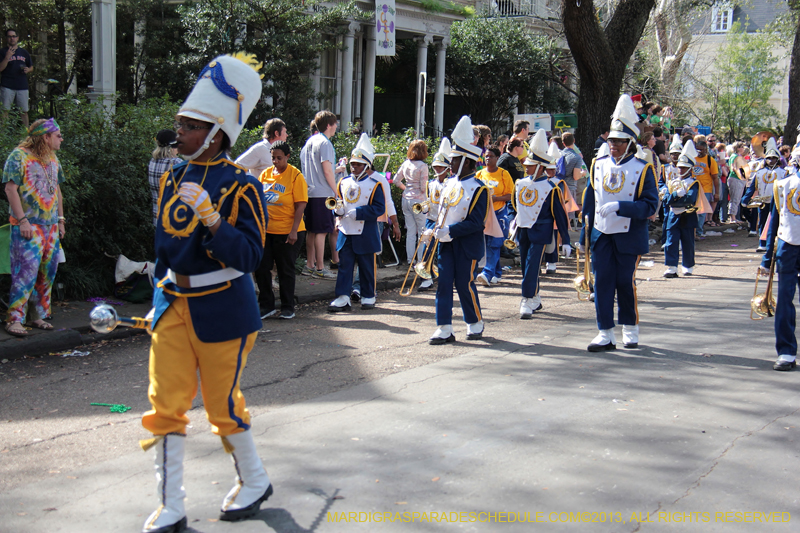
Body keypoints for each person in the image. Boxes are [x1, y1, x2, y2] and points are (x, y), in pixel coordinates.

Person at [140, 54, 272, 532]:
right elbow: (165, 248)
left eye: (190, 126)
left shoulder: (241, 185)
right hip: (173, 305)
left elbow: (251, 257)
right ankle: (170, 505)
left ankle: (254, 480)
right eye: (180, 123)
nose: (179, 132)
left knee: (222, 406)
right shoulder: (173, 177)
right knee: (164, 404)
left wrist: (214, 221)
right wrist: (157, 296)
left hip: (223, 309)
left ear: (216, 134)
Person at [580, 94, 658, 352]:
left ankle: (630, 327)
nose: (613, 144)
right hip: (601, 234)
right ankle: (604, 332)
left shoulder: (643, 168)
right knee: (602, 282)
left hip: (628, 234)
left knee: (625, 281)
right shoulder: (597, 165)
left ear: (630, 143)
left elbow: (650, 206)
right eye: (611, 140)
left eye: (619, 141)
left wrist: (621, 207)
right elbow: (590, 202)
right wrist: (583, 237)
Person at [429, 116, 489, 345]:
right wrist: (436, 229)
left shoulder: (480, 189)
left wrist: (450, 230)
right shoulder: (448, 184)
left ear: (466, 161)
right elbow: (442, 212)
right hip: (446, 244)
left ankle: (474, 322)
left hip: (466, 245)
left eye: (454, 159)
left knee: (464, 283)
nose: (450, 163)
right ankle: (444, 327)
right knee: (443, 283)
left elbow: (476, 223)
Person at [3, 118, 65, 337]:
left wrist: (61, 219)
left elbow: (57, 189)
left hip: (50, 226)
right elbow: (10, 189)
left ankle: (37, 315)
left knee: (48, 272)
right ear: (45, 137)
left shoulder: (52, 157)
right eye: (58, 135)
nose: (61, 139)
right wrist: (22, 221)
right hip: (28, 225)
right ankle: (14, 319)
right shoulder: (18, 156)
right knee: (25, 273)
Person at [514, 129, 570, 318]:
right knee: (525, 266)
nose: (526, 167)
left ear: (539, 167)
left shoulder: (551, 188)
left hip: (541, 231)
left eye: (530, 165)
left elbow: (560, 215)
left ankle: (527, 298)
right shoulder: (520, 184)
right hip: (523, 230)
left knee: (532, 265)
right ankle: (535, 297)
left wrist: (566, 240)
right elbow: (516, 205)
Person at [328, 133, 385, 312]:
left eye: (358, 164)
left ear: (366, 165)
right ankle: (343, 297)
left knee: (366, 267)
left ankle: (368, 295)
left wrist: (359, 213)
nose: (354, 167)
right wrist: (337, 210)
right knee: (344, 266)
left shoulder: (375, 184)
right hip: (346, 231)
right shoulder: (343, 182)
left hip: (365, 232)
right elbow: (338, 201)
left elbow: (379, 208)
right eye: (352, 164)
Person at [255, 140, 307, 320]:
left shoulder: (295, 176)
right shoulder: (265, 174)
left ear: (287, 157)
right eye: (273, 158)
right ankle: (266, 305)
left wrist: (293, 231)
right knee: (262, 268)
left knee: (285, 269)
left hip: (288, 231)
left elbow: (300, 206)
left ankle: (287, 307)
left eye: (279, 158)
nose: (275, 161)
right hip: (267, 231)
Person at [759, 164, 800, 371]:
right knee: (784, 300)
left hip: (788, 248)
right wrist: (767, 259)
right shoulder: (782, 184)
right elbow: (773, 224)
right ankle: (786, 351)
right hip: (788, 247)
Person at [300, 110, 339, 279]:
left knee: (311, 231)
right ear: (329, 125)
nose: (336, 127)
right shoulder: (325, 143)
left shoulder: (309, 141)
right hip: (323, 193)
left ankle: (310, 265)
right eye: (335, 124)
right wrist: (337, 192)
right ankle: (320, 268)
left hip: (309, 191)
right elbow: (327, 171)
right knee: (322, 232)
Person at [417, 138, 452, 292]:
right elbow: (428, 201)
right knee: (427, 249)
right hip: (431, 220)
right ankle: (426, 278)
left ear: (447, 168)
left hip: (447, 221)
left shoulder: (451, 184)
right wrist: (424, 207)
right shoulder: (430, 184)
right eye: (436, 166)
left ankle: (447, 277)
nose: (437, 169)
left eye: (441, 166)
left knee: (445, 251)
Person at [662, 141, 701, 278]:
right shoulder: (672, 182)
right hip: (673, 215)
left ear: (690, 169)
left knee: (687, 242)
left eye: (684, 168)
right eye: (679, 167)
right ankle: (672, 267)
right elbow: (666, 200)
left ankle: (688, 265)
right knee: (670, 242)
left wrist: (675, 200)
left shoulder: (693, 183)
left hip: (687, 215)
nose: (681, 170)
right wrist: (675, 195)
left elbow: (690, 199)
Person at [475, 147, 513, 286]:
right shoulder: (479, 174)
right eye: (486, 156)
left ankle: (487, 272)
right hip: (484, 214)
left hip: (499, 213)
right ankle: (497, 273)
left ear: (497, 158)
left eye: (491, 156)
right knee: (487, 243)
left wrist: (496, 198)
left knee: (495, 243)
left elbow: (510, 194)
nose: (488, 159)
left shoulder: (504, 174)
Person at [743, 138, 785, 252]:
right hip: (763, 202)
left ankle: (774, 244)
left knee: (776, 223)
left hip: (777, 202)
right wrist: (745, 199)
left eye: (773, 158)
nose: (771, 160)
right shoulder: (759, 172)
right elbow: (752, 187)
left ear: (777, 159)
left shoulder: (783, 173)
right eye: (769, 158)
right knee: (762, 222)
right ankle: (762, 243)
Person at [393, 139, 429, 264]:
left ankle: (410, 260)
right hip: (419, 201)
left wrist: (406, 189)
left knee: (410, 232)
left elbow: (396, 180)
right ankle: (420, 261)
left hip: (406, 199)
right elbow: (423, 188)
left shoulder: (406, 164)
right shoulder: (423, 166)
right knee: (422, 232)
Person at [148, 129, 182, 225]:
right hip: (174, 218)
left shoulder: (152, 162)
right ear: (171, 147)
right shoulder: (176, 163)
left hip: (157, 217)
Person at [0, 29, 33, 128]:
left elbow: (31, 67)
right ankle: (4, 134)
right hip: (7, 85)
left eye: (14, 36)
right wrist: (7, 57)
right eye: (9, 36)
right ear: (6, 38)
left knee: (24, 111)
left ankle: (25, 133)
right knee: (5, 111)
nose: (12, 38)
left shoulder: (24, 52)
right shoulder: (2, 52)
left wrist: (28, 70)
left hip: (22, 86)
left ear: (17, 38)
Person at [558, 132, 587, 228]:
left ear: (563, 143)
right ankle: (564, 236)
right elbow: (576, 176)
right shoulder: (577, 157)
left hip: (558, 187)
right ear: (574, 141)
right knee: (568, 216)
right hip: (570, 189)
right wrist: (583, 173)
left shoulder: (558, 154)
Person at [692, 137, 719, 234]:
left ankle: (699, 231)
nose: (699, 152)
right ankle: (692, 231)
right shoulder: (692, 159)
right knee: (692, 211)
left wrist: (716, 193)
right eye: (697, 149)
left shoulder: (710, 160)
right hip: (693, 188)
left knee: (702, 212)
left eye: (701, 150)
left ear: (705, 150)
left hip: (705, 189)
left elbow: (715, 177)